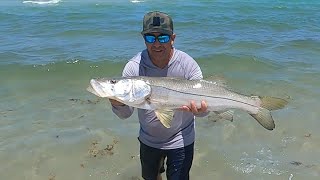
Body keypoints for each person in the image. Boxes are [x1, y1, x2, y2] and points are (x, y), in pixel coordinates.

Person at [109, 11, 208, 180]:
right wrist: (117, 103)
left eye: (162, 38)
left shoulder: (187, 65)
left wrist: (201, 111)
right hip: (149, 140)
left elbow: (205, 107)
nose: (156, 44)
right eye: (150, 38)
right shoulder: (133, 68)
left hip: (181, 138)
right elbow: (126, 114)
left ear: (173, 38)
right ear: (144, 39)